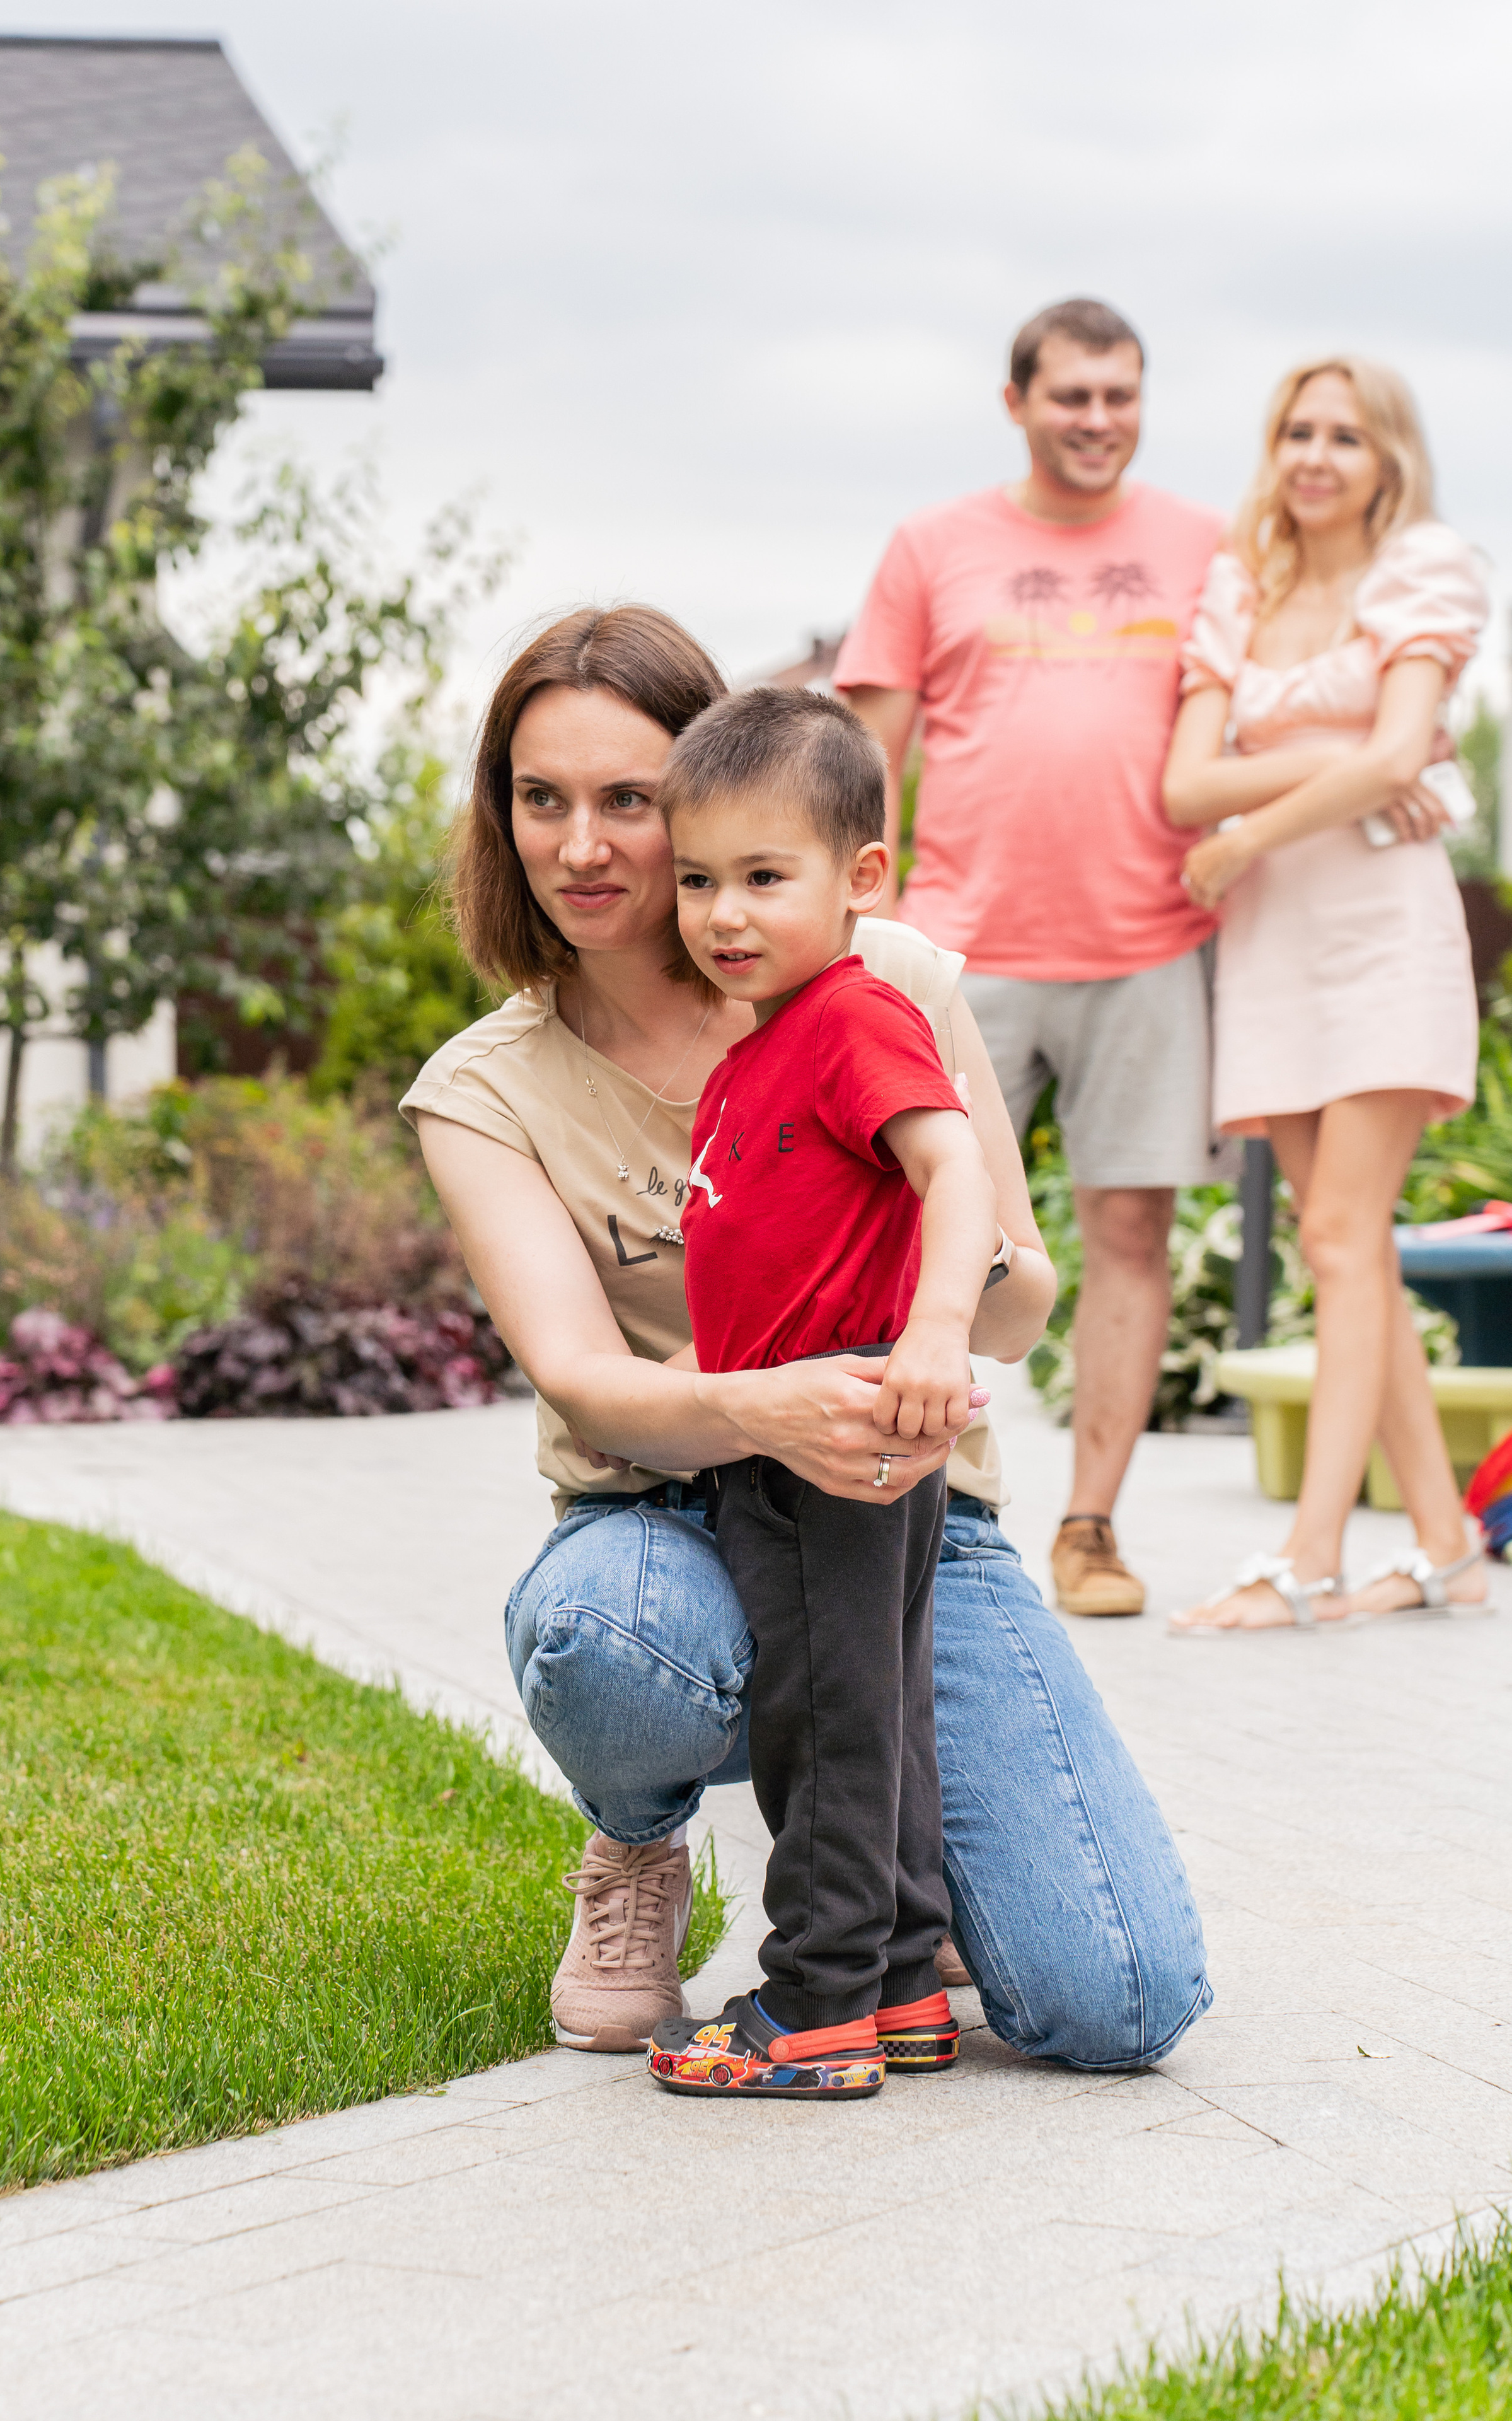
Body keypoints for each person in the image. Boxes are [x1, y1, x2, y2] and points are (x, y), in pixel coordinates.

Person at [401, 603, 1211, 2070]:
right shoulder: (486, 1085)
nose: (580, 845)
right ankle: (641, 1842)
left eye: (627, 802)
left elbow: (1014, 1281)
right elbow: (584, 1380)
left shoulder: (876, 982)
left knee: (1117, 1999)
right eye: (541, 799)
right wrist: (772, 1402)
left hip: (906, 1505)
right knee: (613, 1644)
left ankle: (906, 1911)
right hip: (660, 1513)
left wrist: (943, 1314)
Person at [836, 298, 1225, 1620]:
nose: (1097, 421)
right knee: (915, 1228)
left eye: (1120, 396)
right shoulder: (931, 547)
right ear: (1016, 402)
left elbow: (1261, 715)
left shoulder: (1201, 547)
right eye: (1070, 396)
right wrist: (855, 942)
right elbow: (861, 763)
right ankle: (909, 1506)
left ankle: (1090, 1530)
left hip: (1147, 946)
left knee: (1129, 1230)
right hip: (959, 953)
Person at [645, 687, 996, 2099]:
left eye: (761, 879)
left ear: (861, 879)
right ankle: (903, 1981)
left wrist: (936, 1333)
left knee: (824, 1719)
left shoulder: (854, 1019)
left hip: (840, 1446)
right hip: (777, 1441)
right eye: (697, 881)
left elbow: (955, 1171)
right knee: (870, 1700)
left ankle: (814, 2003)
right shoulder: (750, 1052)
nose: (723, 914)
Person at [1163, 358, 1491, 1633]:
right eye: (1294, 431)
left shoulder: (1422, 569)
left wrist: (1256, 824)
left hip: (1377, 934)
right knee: (1339, 1250)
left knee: (1342, 1242)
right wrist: (1338, 762)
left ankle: (1304, 1559)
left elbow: (1405, 753)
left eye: (1342, 436)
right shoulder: (1239, 587)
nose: (1312, 455)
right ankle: (1447, 1545)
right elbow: (1183, 785)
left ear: (1383, 457)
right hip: (1273, 949)